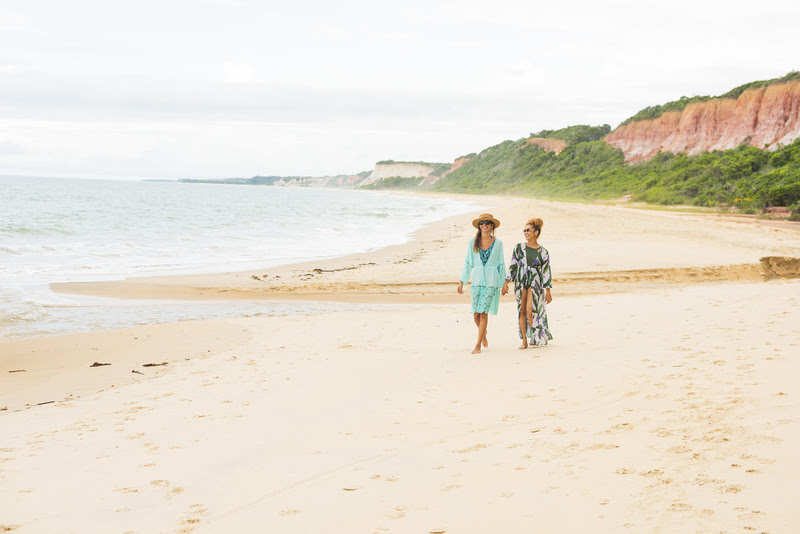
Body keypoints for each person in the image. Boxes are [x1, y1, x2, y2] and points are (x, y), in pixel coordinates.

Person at [458, 213, 505, 354]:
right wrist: (462, 281)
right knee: (476, 315)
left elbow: (501, 265)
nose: (484, 225)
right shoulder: (473, 242)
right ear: (479, 226)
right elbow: (468, 263)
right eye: (481, 223)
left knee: (483, 313)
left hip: (491, 281)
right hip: (477, 281)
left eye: (487, 223)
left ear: (492, 226)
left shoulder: (498, 244)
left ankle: (478, 345)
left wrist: (504, 283)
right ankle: (483, 333)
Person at [501, 217, 552, 348]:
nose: (525, 233)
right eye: (524, 230)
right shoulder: (519, 247)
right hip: (521, 281)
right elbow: (513, 265)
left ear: (536, 232)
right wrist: (506, 283)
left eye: (528, 230)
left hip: (536, 282)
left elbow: (546, 271)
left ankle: (535, 336)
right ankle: (524, 340)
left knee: (531, 310)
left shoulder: (544, 252)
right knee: (522, 310)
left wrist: (548, 291)